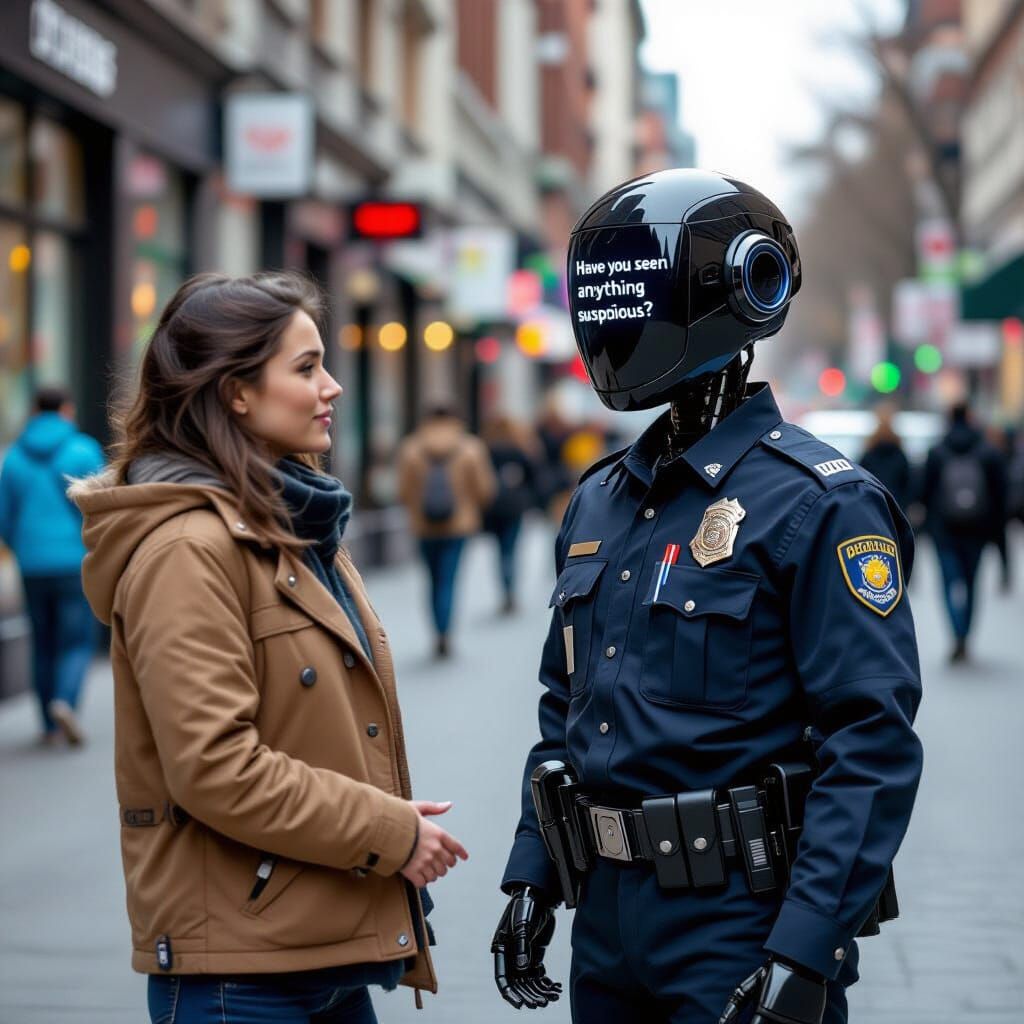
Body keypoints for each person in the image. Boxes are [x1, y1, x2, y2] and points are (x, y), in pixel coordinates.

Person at [492, 169, 923, 1024]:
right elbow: (565, 709)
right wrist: (535, 870)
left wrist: (806, 950)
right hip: (606, 925)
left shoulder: (821, 503)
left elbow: (870, 743)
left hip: (738, 922)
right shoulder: (600, 499)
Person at [70, 272, 467, 1023]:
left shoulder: (293, 522)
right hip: (240, 976)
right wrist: (390, 831)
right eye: (307, 366)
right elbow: (215, 767)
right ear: (236, 394)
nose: (334, 386)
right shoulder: (188, 549)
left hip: (322, 946)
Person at [0, 385, 104, 746]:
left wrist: (23, 548)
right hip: (74, 560)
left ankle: (47, 723)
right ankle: (65, 701)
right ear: (66, 410)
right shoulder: (83, 449)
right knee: (75, 640)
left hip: (31, 564)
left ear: (34, 410)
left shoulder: (13, 457)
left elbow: (5, 517)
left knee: (42, 641)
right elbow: (102, 506)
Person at [397, 404, 496, 657]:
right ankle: (445, 631)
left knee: (432, 580)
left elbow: (402, 491)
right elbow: (485, 489)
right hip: (459, 526)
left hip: (424, 527)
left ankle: (437, 630)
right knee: (449, 580)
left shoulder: (411, 448)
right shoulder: (470, 447)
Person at [921, 401, 1006, 662]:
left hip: (944, 531)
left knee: (948, 583)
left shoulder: (937, 451)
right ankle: (965, 635)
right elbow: (1000, 496)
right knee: (971, 583)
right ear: (970, 418)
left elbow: (924, 492)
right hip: (977, 531)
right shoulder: (987, 452)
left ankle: (955, 632)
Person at [482, 414, 539, 615]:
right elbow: (534, 477)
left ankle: (505, 591)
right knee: (511, 551)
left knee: (500, 552)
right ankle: (510, 591)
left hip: (494, 508)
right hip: (515, 508)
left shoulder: (486, 451)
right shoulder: (519, 450)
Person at [859, 403, 912, 516]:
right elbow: (908, 484)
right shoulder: (899, 454)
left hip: (873, 505)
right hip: (896, 507)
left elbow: (861, 480)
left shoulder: (869, 453)